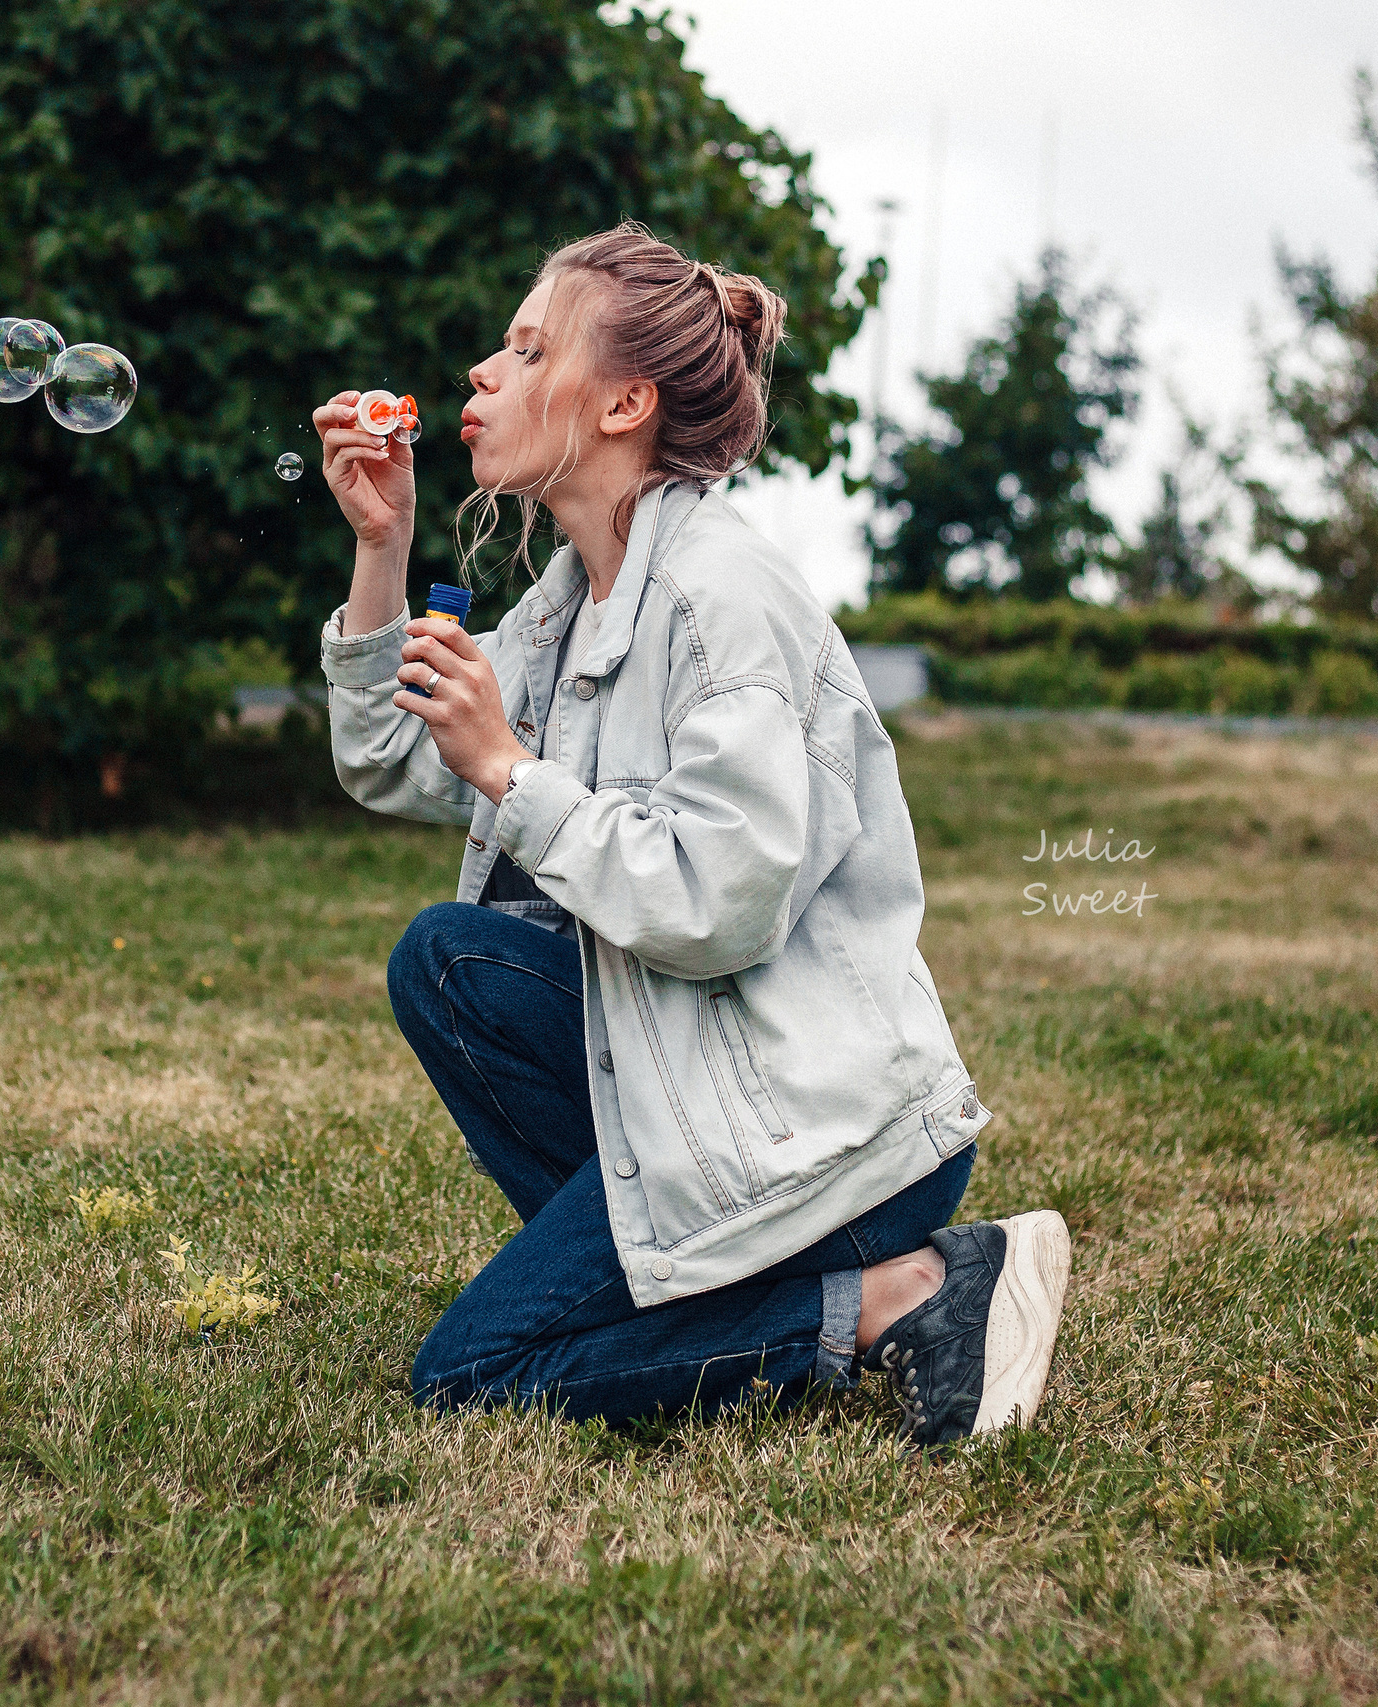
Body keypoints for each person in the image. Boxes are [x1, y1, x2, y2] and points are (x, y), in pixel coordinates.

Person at [311, 222, 1071, 1445]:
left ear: (624, 401)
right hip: (700, 1092)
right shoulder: (569, 605)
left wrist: (511, 765)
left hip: (838, 1140)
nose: (479, 376)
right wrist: (381, 547)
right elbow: (391, 758)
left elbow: (721, 903)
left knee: (473, 1374)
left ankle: (910, 1290)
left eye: (524, 349)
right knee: (449, 961)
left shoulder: (722, 598)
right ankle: (705, 1288)